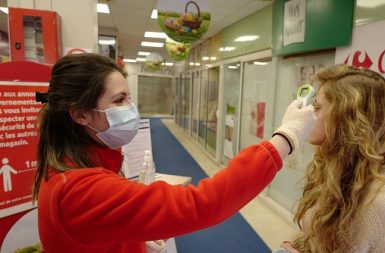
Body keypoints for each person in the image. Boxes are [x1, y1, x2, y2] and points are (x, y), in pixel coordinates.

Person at [32, 53, 316, 253]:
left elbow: (95, 235)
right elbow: (203, 203)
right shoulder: (79, 192)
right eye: (119, 100)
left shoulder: (70, 169)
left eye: (128, 96)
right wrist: (287, 137)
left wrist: (133, 242)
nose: (131, 107)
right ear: (81, 115)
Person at [279, 64, 385, 252]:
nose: (309, 112)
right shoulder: (332, 169)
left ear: (348, 118)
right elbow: (322, 236)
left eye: (316, 106)